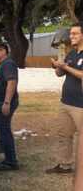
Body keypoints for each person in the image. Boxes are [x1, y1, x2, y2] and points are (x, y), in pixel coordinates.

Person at [47, 23, 83, 174]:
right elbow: (60, 74)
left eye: (75, 34)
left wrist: (65, 67)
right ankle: (65, 165)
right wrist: (57, 66)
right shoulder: (72, 53)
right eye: (71, 34)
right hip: (66, 102)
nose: (71, 36)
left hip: (80, 105)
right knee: (64, 135)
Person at [0, 43, 19, 171]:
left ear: (3, 51)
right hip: (0, 102)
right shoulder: (2, 64)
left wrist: (7, 102)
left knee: (4, 131)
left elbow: (11, 82)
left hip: (4, 102)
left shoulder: (8, 64)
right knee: (3, 131)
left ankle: (11, 162)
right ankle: (8, 159)